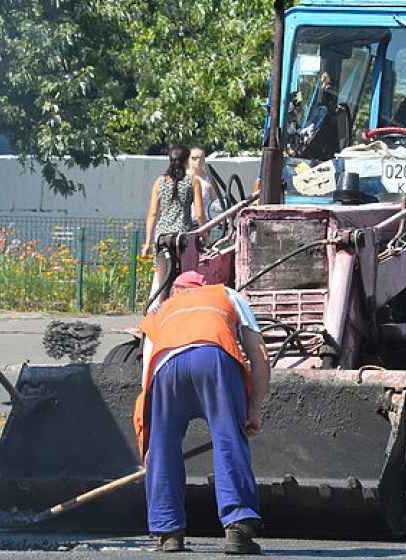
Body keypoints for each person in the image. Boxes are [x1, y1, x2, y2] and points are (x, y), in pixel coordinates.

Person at [134, 271, 271, 555]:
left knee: (164, 446)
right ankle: (238, 528)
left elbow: (146, 379)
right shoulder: (226, 295)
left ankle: (168, 531)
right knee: (228, 440)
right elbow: (260, 356)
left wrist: (148, 440)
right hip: (214, 358)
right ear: (203, 287)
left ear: (176, 291)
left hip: (166, 369)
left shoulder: (160, 310)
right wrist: (254, 410)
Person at [141, 145, 206, 304]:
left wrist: (148, 242)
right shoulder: (193, 182)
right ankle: (181, 312)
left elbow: (152, 214)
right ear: (186, 161)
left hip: (162, 237)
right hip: (183, 237)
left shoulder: (159, 182)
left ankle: (159, 314)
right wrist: (206, 237)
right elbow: (199, 214)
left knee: (162, 281)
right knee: (185, 279)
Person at [188, 146, 216, 229]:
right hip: (189, 222)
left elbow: (215, 202)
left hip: (206, 221)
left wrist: (211, 189)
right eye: (194, 158)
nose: (198, 161)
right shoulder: (184, 178)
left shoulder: (209, 178)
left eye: (201, 158)